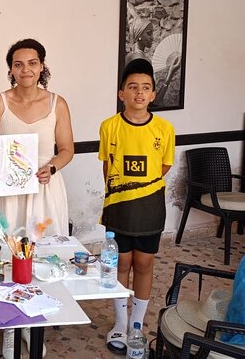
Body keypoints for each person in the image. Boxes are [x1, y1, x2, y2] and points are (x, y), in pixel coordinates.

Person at [0, 38, 74, 358]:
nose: (26, 69)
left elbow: (67, 149)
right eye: (18, 64)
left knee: (38, 257)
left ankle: (31, 324)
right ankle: (8, 327)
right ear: (11, 69)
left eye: (32, 63)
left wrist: (52, 167)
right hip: (7, 193)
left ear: (42, 66)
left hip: (43, 192)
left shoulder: (58, 103)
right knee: (4, 255)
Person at [99, 58, 175, 354]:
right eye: (132, 87)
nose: (139, 93)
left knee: (144, 264)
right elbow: (107, 166)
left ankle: (136, 325)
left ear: (153, 94)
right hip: (118, 207)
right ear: (122, 94)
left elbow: (164, 165)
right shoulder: (109, 126)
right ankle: (120, 323)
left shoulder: (165, 129)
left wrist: (142, 189)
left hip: (150, 207)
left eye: (145, 88)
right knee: (120, 263)